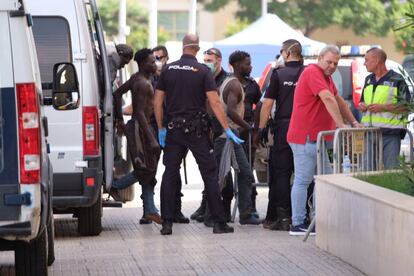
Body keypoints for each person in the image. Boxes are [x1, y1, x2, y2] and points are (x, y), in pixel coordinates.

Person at [154, 34, 240, 235]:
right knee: (209, 174)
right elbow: (215, 102)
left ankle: (167, 223)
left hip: (174, 130)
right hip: (197, 131)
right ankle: (218, 222)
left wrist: (161, 129)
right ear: (198, 48)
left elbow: (157, 103)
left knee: (170, 173)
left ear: (183, 47)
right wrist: (226, 128)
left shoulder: (168, 69)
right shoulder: (202, 71)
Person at [286, 45, 362, 236]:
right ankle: (297, 223)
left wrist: (353, 121)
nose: (332, 66)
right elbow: (328, 98)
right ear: (320, 58)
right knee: (303, 180)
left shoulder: (326, 77)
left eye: (335, 63)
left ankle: (320, 219)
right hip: (306, 138)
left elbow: (338, 100)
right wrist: (342, 125)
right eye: (329, 62)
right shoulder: (312, 72)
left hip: (319, 139)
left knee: (325, 180)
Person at [111, 48, 162, 225]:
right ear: (141, 64)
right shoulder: (142, 83)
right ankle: (115, 186)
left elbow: (117, 93)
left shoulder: (139, 78)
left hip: (139, 127)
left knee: (147, 169)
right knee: (146, 169)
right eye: (151, 61)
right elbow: (139, 113)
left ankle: (150, 210)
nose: (154, 64)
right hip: (141, 128)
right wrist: (152, 139)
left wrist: (119, 120)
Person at [258, 39, 305, 231]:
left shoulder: (279, 74)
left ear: (286, 53)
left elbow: (267, 104)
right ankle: (302, 215)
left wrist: (261, 128)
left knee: (282, 174)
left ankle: (283, 217)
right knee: (303, 174)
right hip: (305, 127)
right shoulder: (308, 73)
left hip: (284, 127)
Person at [211, 50, 262, 225]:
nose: (251, 66)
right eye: (247, 63)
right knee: (224, 177)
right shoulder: (233, 85)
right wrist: (248, 126)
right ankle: (216, 215)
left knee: (242, 174)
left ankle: (243, 213)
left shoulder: (230, 82)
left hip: (230, 137)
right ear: (238, 65)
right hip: (227, 137)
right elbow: (231, 111)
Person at [190, 47, 230, 223]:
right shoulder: (201, 77)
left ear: (219, 60)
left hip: (221, 131)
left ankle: (221, 208)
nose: (206, 64)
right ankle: (206, 204)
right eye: (204, 60)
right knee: (208, 170)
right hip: (206, 130)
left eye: (209, 60)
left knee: (222, 171)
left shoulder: (226, 80)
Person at [359, 47, 410, 169]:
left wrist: (384, 107)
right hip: (370, 133)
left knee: (390, 171)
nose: (364, 63)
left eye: (366, 60)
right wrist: (363, 106)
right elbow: (362, 102)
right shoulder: (368, 79)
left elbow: (407, 106)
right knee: (368, 172)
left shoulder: (397, 79)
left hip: (390, 134)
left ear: (376, 60)